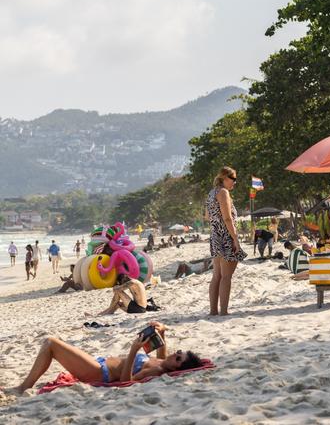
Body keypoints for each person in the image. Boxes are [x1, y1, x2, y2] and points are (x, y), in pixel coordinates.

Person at [9, 321, 202, 394]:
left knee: (51, 343)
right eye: (178, 353)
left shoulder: (158, 369)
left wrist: (134, 350)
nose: (174, 355)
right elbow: (161, 354)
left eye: (178, 359)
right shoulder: (163, 362)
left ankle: (23, 387)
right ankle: (24, 385)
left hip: (100, 373)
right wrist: (162, 332)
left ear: (177, 369)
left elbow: (127, 381)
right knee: (55, 343)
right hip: (100, 363)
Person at [206, 166, 247, 316]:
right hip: (226, 236)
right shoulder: (223, 192)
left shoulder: (212, 193)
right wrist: (235, 238)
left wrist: (216, 227)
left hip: (215, 236)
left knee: (216, 276)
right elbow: (228, 218)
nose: (235, 182)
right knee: (226, 276)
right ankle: (223, 311)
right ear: (225, 177)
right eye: (233, 179)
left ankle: (213, 311)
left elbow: (207, 216)